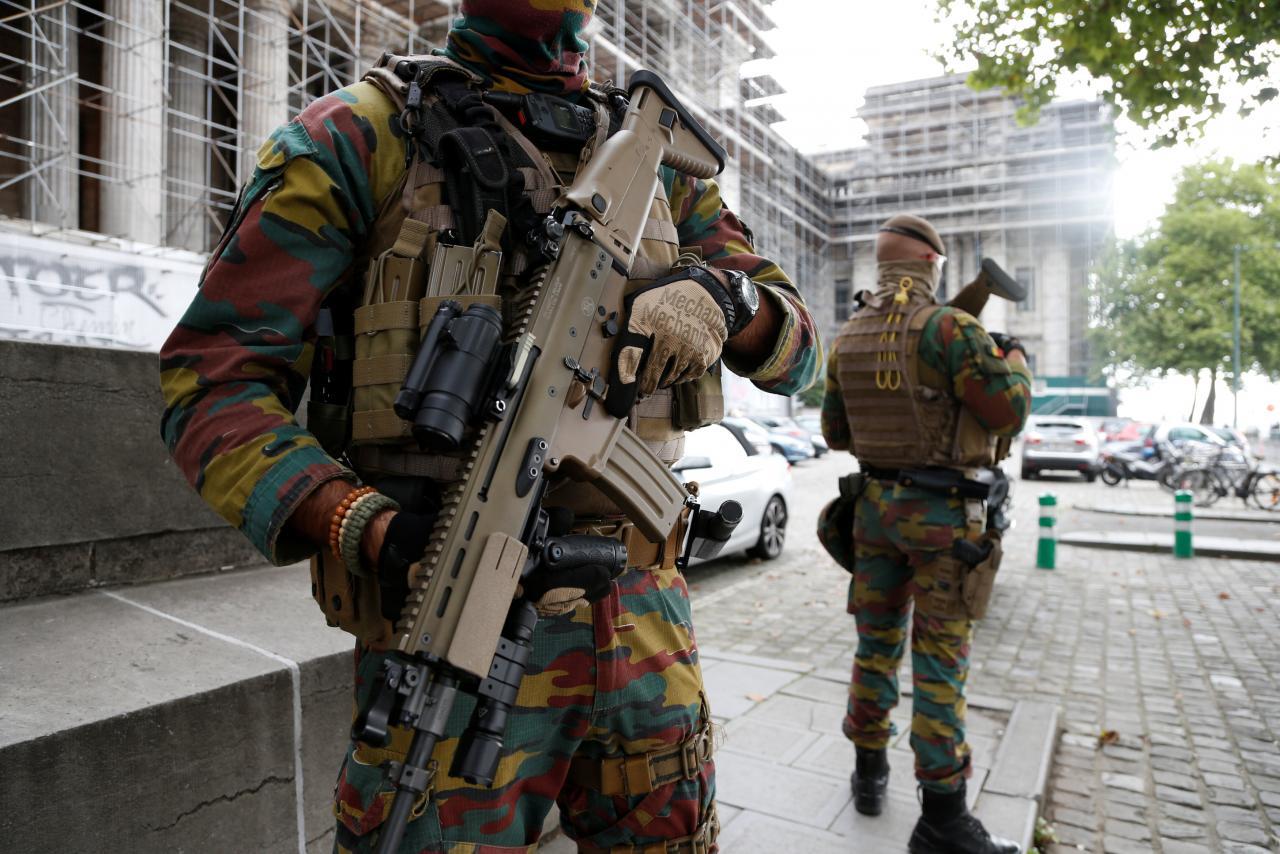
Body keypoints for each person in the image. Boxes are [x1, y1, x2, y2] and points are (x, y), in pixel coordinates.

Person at [158, 2, 820, 851]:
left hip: (646, 627)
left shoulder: (664, 166)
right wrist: (354, 521)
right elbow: (211, 381)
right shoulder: (360, 137)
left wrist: (733, 302)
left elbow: (802, 355)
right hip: (449, 623)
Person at [820, 214, 1030, 854]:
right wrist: (1014, 359)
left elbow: (836, 434)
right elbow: (1008, 409)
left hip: (874, 512)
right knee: (940, 664)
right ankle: (941, 817)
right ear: (933, 264)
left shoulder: (850, 333)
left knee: (873, 646)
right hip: (943, 522)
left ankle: (868, 774)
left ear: (881, 267)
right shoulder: (952, 329)